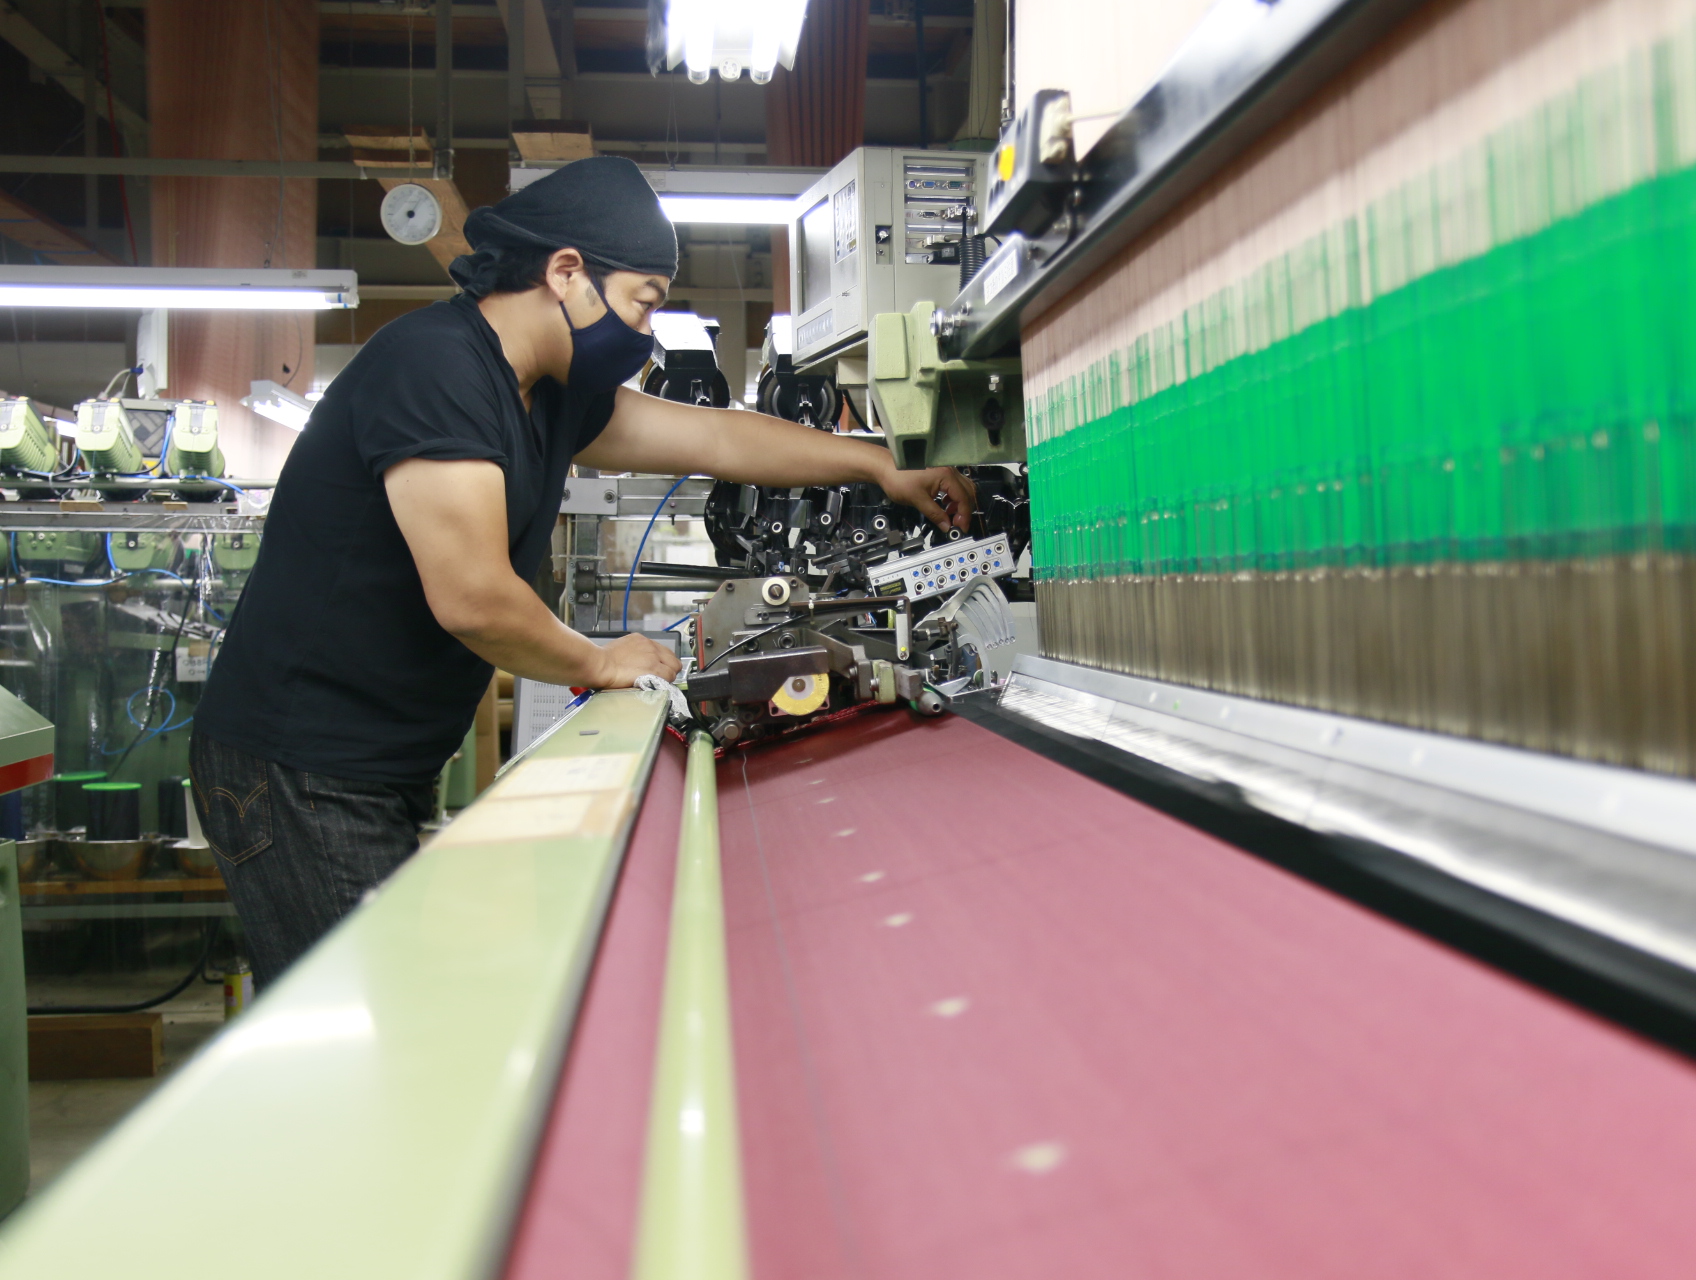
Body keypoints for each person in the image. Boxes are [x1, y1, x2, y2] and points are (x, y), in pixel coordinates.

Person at [188, 157, 974, 989]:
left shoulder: (550, 393)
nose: (645, 331)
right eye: (643, 301)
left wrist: (878, 464)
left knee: (396, 1014)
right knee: (364, 1034)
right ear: (567, 273)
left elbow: (717, 438)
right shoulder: (437, 367)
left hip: (371, 765)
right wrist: (600, 661)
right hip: (298, 767)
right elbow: (472, 598)